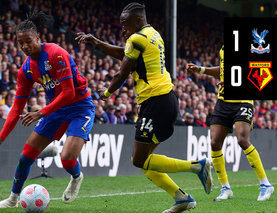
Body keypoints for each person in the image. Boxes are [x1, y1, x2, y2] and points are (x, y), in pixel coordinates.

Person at [76, 3, 212, 213]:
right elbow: (124, 54)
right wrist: (96, 41)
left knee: (139, 159)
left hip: (155, 102)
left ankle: (197, 166)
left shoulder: (137, 38)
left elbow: (121, 73)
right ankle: (181, 198)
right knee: (142, 161)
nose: (123, 29)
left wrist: (106, 93)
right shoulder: (153, 34)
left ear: (138, 21)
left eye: (125, 24)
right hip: (164, 99)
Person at [0, 11, 95, 209]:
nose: (25, 46)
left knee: (67, 159)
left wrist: (40, 112)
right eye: (20, 43)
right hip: (55, 110)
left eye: (28, 41)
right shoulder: (25, 70)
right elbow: (16, 108)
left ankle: (76, 177)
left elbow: (68, 93)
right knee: (25, 157)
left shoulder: (55, 53)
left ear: (38, 38)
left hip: (80, 107)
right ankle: (12, 200)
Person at [186, 45, 274, 201]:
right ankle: (225, 188)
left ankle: (265, 184)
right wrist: (200, 70)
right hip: (223, 101)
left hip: (243, 100)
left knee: (242, 140)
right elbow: (223, 69)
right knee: (214, 142)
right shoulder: (223, 49)